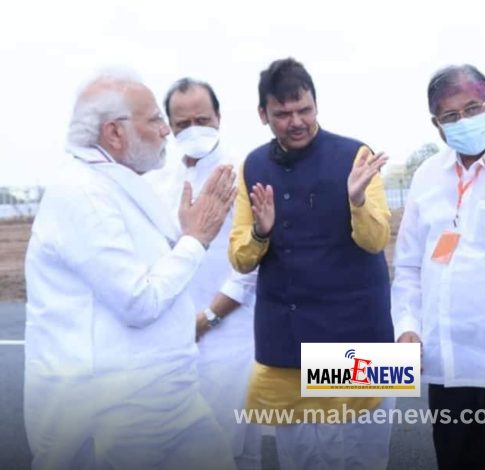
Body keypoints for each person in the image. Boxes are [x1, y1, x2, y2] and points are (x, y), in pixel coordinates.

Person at [24, 70, 237, 469]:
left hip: (164, 400)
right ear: (115, 133)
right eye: (156, 120)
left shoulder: (117, 183)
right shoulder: (82, 193)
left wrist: (185, 237)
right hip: (116, 413)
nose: (166, 131)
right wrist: (195, 239)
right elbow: (138, 301)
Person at [228, 57, 394, 469]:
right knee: (302, 458)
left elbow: (376, 241)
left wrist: (356, 200)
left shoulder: (355, 155)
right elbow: (240, 259)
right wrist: (261, 232)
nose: (296, 122)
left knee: (363, 458)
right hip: (289, 338)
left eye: (304, 110)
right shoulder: (252, 166)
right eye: (283, 114)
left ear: (316, 104)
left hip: (359, 330)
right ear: (263, 114)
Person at [392, 64, 485, 469]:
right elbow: (408, 266)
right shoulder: (428, 176)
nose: (463, 121)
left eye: (472, 109)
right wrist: (407, 327)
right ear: (437, 125)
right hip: (445, 368)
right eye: (450, 116)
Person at [154, 77, 262, 470]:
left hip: (230, 334)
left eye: (202, 120)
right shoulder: (159, 178)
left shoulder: (243, 171)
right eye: (183, 124)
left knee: (233, 449)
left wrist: (209, 317)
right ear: (169, 126)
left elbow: (251, 262)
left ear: (219, 117)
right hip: (172, 336)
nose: (193, 130)